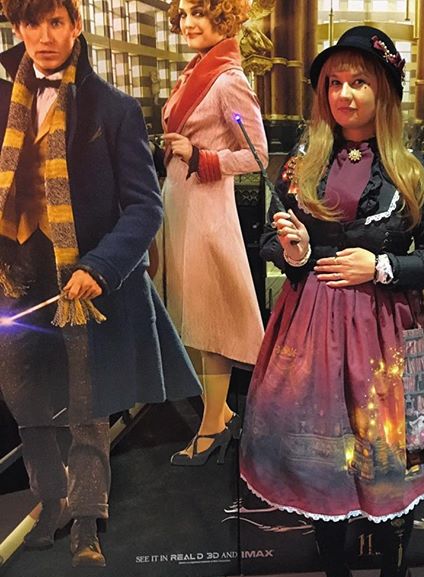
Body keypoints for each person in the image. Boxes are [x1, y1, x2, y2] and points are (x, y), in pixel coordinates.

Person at [240, 26, 424, 577]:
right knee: (318, 462)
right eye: (333, 83)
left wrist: (382, 266)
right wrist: (293, 251)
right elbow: (270, 241)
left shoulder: (413, 170)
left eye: (359, 83)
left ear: (385, 91)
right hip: (307, 334)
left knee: (387, 460)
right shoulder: (301, 166)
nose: (344, 95)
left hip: (385, 336)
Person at [0, 0, 201, 567]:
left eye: (56, 22)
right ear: (17, 28)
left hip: (80, 279)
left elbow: (144, 207)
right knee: (25, 399)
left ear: (76, 25)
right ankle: (50, 501)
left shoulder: (114, 108)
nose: (44, 36)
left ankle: (88, 516)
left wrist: (100, 266)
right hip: (13, 278)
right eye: (32, 23)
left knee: (86, 402)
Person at [162, 0, 267, 465]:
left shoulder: (228, 80)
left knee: (208, 320)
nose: (188, 23)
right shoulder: (195, 72)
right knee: (189, 316)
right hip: (181, 202)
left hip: (206, 207)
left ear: (222, 18)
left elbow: (258, 155)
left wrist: (201, 157)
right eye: (184, 14)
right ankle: (220, 411)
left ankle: (211, 428)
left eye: (199, 13)